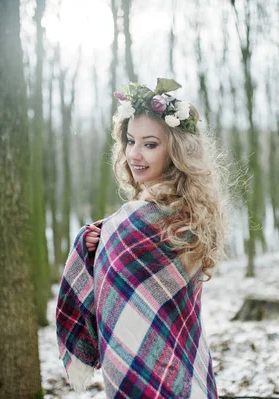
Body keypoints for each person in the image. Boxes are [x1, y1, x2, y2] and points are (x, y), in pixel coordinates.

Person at [56, 78, 230, 398]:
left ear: (177, 150)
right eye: (130, 141)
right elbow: (116, 288)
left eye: (150, 144)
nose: (135, 154)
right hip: (135, 364)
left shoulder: (187, 216)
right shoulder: (128, 223)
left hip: (178, 355)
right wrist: (95, 247)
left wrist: (105, 239)